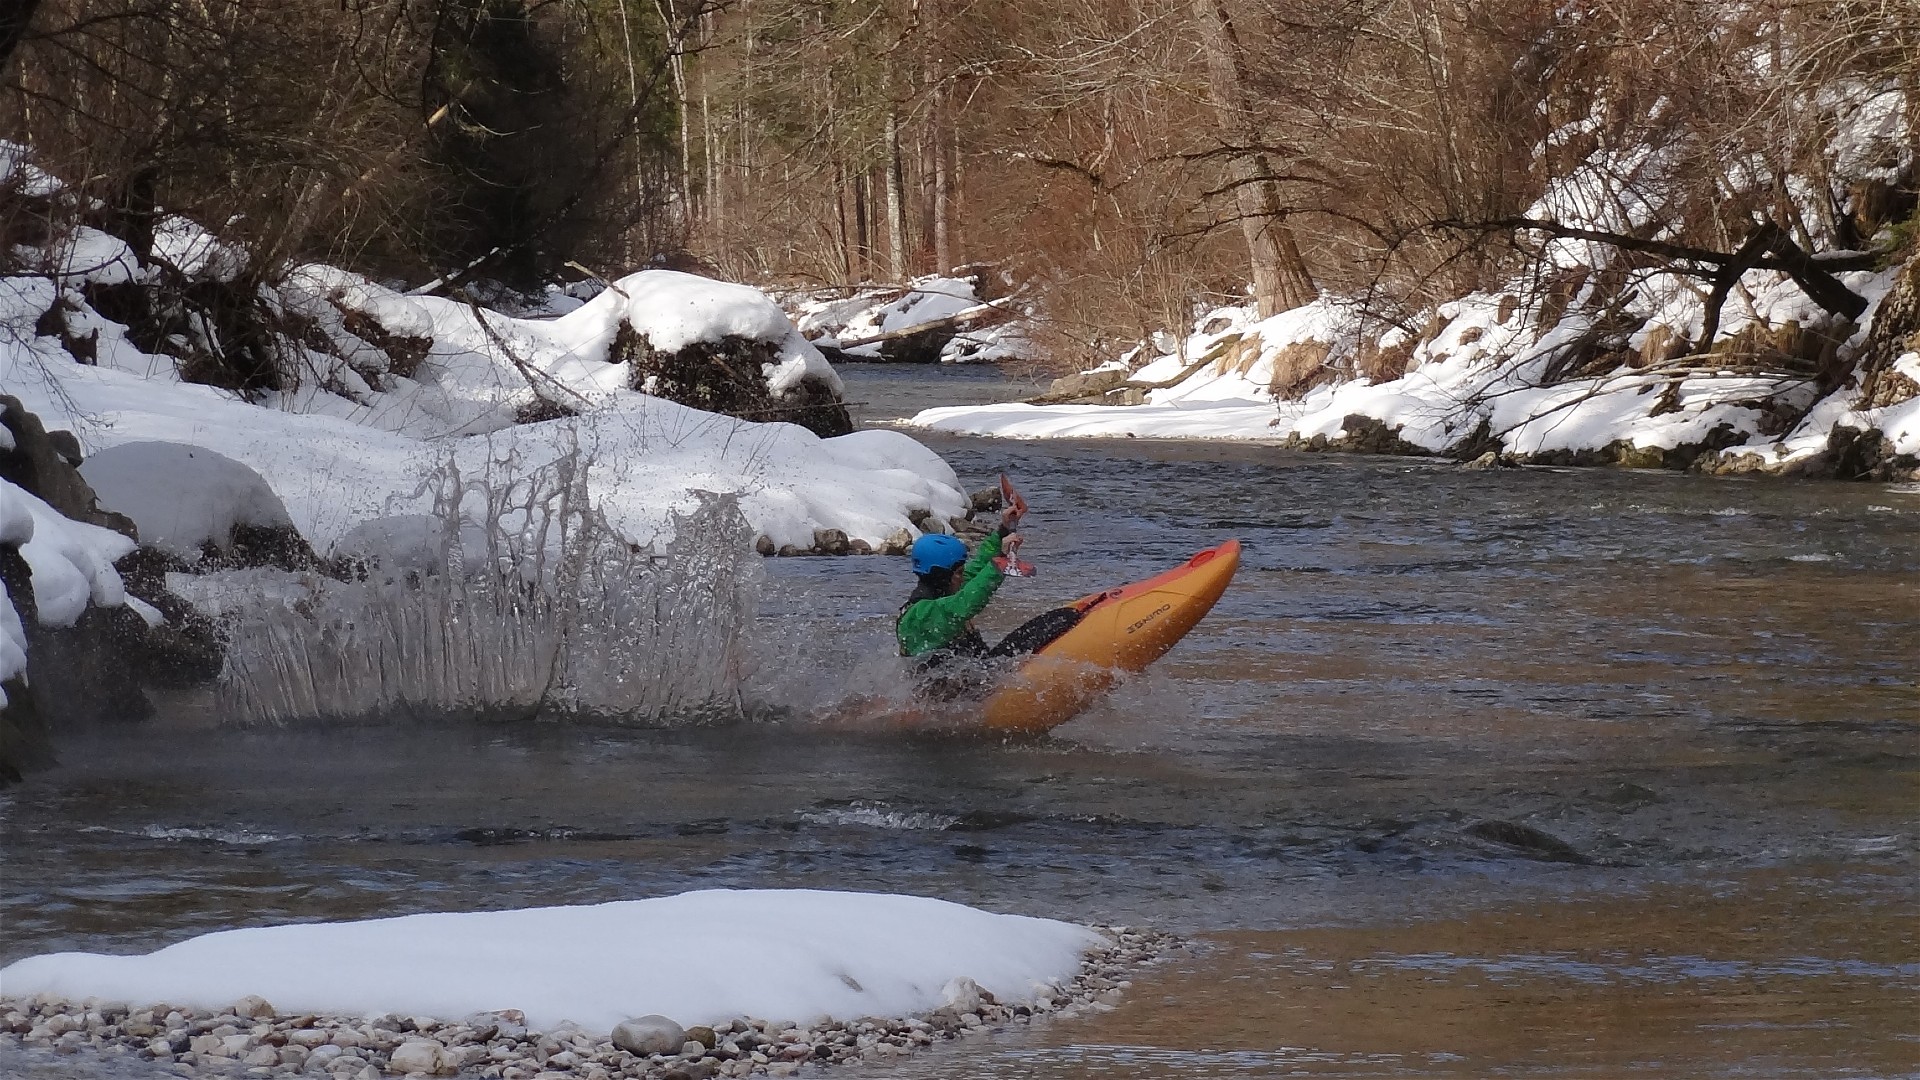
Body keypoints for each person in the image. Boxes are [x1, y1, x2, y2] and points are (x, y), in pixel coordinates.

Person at [896, 504, 1081, 700]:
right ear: (942, 577)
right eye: (959, 572)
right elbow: (967, 602)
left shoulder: (944, 591)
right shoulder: (919, 616)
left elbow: (975, 571)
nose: (963, 576)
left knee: (1054, 620)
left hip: (979, 678)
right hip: (955, 700)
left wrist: (1002, 530)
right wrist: (999, 566)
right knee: (1044, 630)